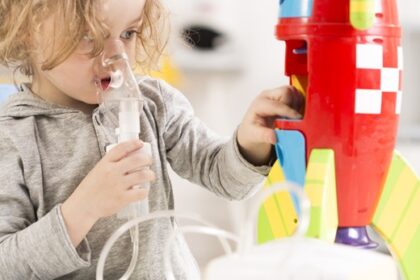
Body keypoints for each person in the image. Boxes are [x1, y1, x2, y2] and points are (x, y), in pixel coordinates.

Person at [0, 0, 303, 279]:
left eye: (129, 33)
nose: (115, 57)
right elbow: (7, 264)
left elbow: (223, 177)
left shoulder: (152, 102)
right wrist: (83, 209)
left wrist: (250, 142)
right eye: (88, 36)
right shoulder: (13, 136)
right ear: (27, 32)